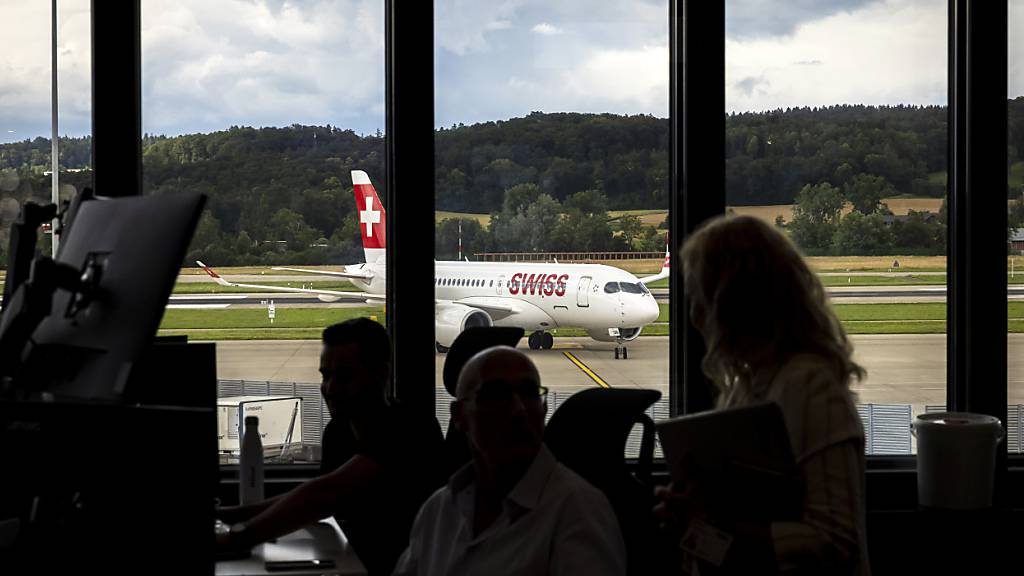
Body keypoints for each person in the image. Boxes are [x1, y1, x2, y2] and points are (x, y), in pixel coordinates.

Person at [657, 215, 869, 575]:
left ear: (734, 303)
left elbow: (836, 541)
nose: (692, 316)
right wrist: (694, 520)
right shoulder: (746, 388)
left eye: (699, 297)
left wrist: (711, 524)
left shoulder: (808, 387)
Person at [217, 318, 444, 576]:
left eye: (345, 377)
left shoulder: (411, 428)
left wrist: (235, 538)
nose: (330, 388)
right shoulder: (338, 432)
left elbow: (325, 496)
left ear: (381, 375)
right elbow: (315, 497)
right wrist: (230, 516)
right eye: (326, 375)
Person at [393, 346, 627, 576]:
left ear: (544, 409)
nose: (518, 410)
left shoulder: (577, 510)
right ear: (459, 415)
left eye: (529, 393)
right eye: (497, 396)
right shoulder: (439, 511)